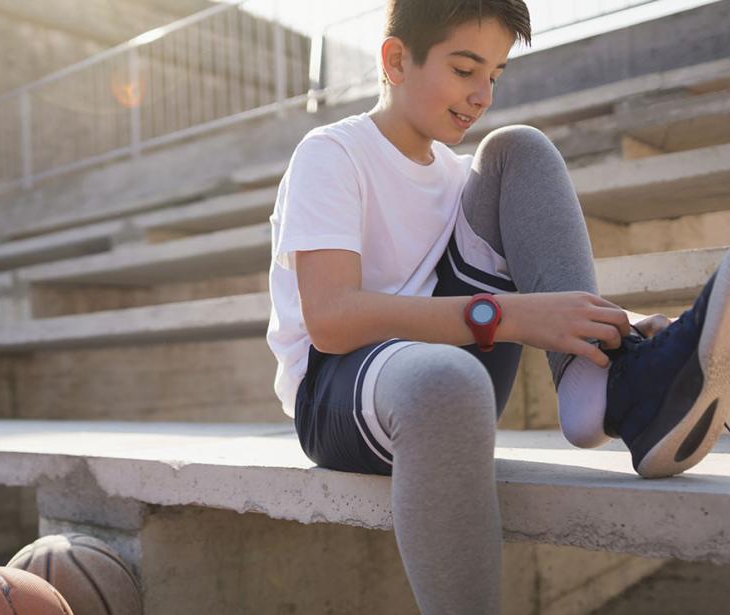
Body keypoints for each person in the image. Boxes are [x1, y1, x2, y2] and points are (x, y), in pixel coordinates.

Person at [264, 0, 730, 612]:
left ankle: (607, 384)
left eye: (496, 74)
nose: (483, 94)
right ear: (397, 60)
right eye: (464, 70)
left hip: (454, 363)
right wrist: (511, 315)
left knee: (518, 148)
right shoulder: (332, 153)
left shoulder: (464, 179)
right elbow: (331, 319)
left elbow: (518, 294)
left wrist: (610, 328)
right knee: (444, 380)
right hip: (343, 390)